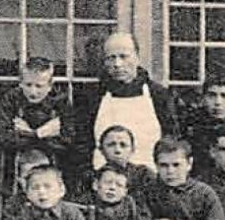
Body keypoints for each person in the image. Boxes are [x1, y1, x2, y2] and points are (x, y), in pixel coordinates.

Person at [74, 32, 180, 178]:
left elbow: (172, 141)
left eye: (123, 56)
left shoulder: (159, 95)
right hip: (104, 182)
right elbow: (82, 145)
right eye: (111, 58)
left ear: (137, 57)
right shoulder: (92, 97)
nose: (117, 64)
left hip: (151, 181)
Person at [0, 56, 76, 187]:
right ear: (20, 83)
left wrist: (31, 134)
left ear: (50, 85)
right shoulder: (11, 99)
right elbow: (5, 139)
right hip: (16, 169)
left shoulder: (61, 101)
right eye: (28, 85)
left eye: (39, 86)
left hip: (53, 166)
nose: (33, 91)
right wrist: (44, 134)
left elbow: (67, 141)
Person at [93, 124, 157, 195]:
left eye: (123, 145)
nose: (117, 150)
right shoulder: (95, 176)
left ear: (132, 150)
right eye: (111, 145)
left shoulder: (144, 175)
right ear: (101, 150)